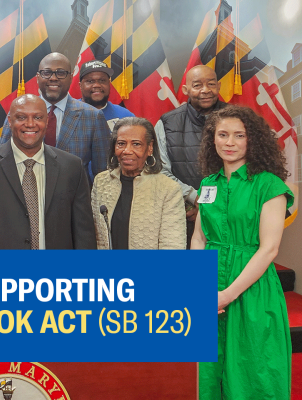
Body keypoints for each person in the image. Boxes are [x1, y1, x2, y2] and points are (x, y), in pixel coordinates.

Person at [191, 106, 293, 400]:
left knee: (253, 369)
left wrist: (227, 294)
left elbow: (269, 248)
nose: (230, 142)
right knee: (208, 372)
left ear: (253, 140)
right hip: (209, 284)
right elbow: (199, 237)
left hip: (250, 289)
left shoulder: (268, 185)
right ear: (213, 140)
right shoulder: (208, 184)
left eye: (239, 135)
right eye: (222, 135)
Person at [0, 94, 95, 249]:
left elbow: (84, 234)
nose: (30, 124)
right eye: (21, 117)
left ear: (47, 121)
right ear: (10, 121)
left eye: (37, 117)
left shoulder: (72, 167)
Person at [0, 52, 109, 183]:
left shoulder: (93, 116)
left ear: (71, 77)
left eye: (61, 73)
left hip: (72, 200)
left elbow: (103, 175)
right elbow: (3, 161)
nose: (53, 78)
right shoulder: (18, 112)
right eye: (47, 73)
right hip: (26, 196)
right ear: (38, 77)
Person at [156, 65, 228, 245]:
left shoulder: (237, 119)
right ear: (185, 90)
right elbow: (160, 171)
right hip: (183, 216)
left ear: (219, 86)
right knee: (187, 272)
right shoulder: (167, 123)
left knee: (226, 271)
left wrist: (211, 206)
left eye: (211, 84)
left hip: (230, 216)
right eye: (197, 85)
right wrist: (195, 198)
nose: (205, 90)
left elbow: (247, 169)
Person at [90, 117, 185, 249]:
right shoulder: (101, 182)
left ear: (150, 148)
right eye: (121, 143)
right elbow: (94, 237)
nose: (127, 151)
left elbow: (173, 245)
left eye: (136, 144)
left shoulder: (168, 188)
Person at [77, 60, 135, 131]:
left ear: (109, 84)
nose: (97, 85)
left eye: (102, 80)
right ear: (80, 86)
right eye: (90, 81)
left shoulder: (125, 116)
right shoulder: (67, 114)